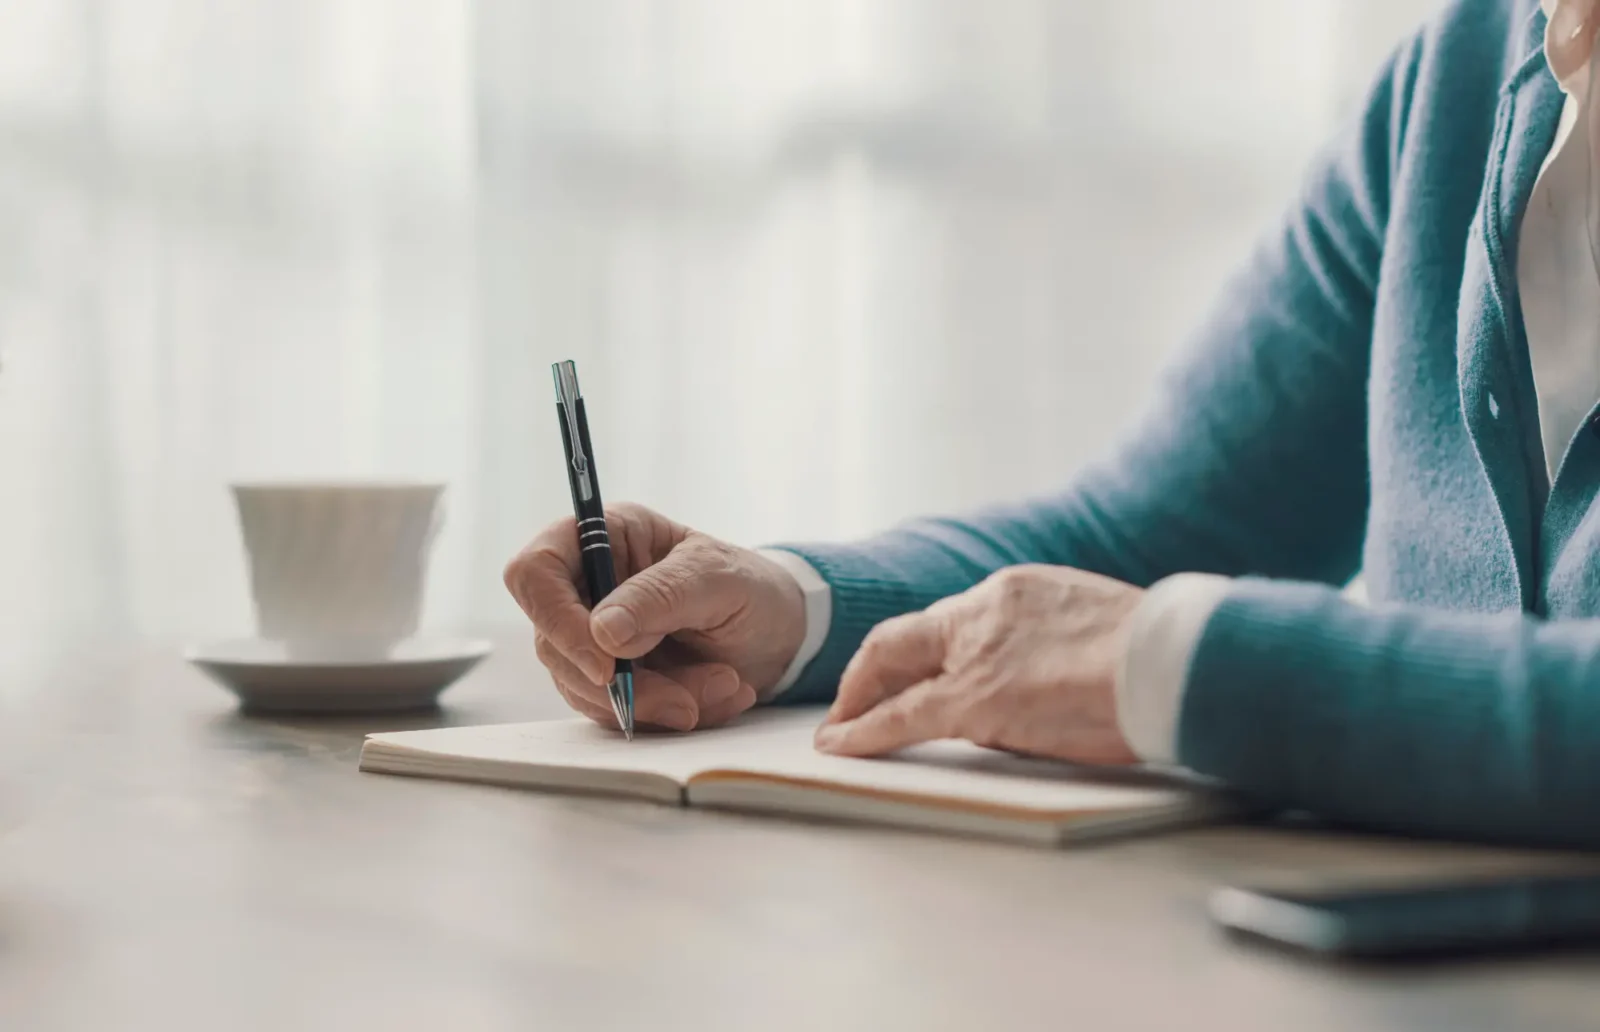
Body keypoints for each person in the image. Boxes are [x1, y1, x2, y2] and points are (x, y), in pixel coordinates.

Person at [506, 0, 1600, 849]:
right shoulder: (1456, 75)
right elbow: (1152, 529)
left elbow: (1137, 619)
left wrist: (1177, 666)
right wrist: (783, 606)